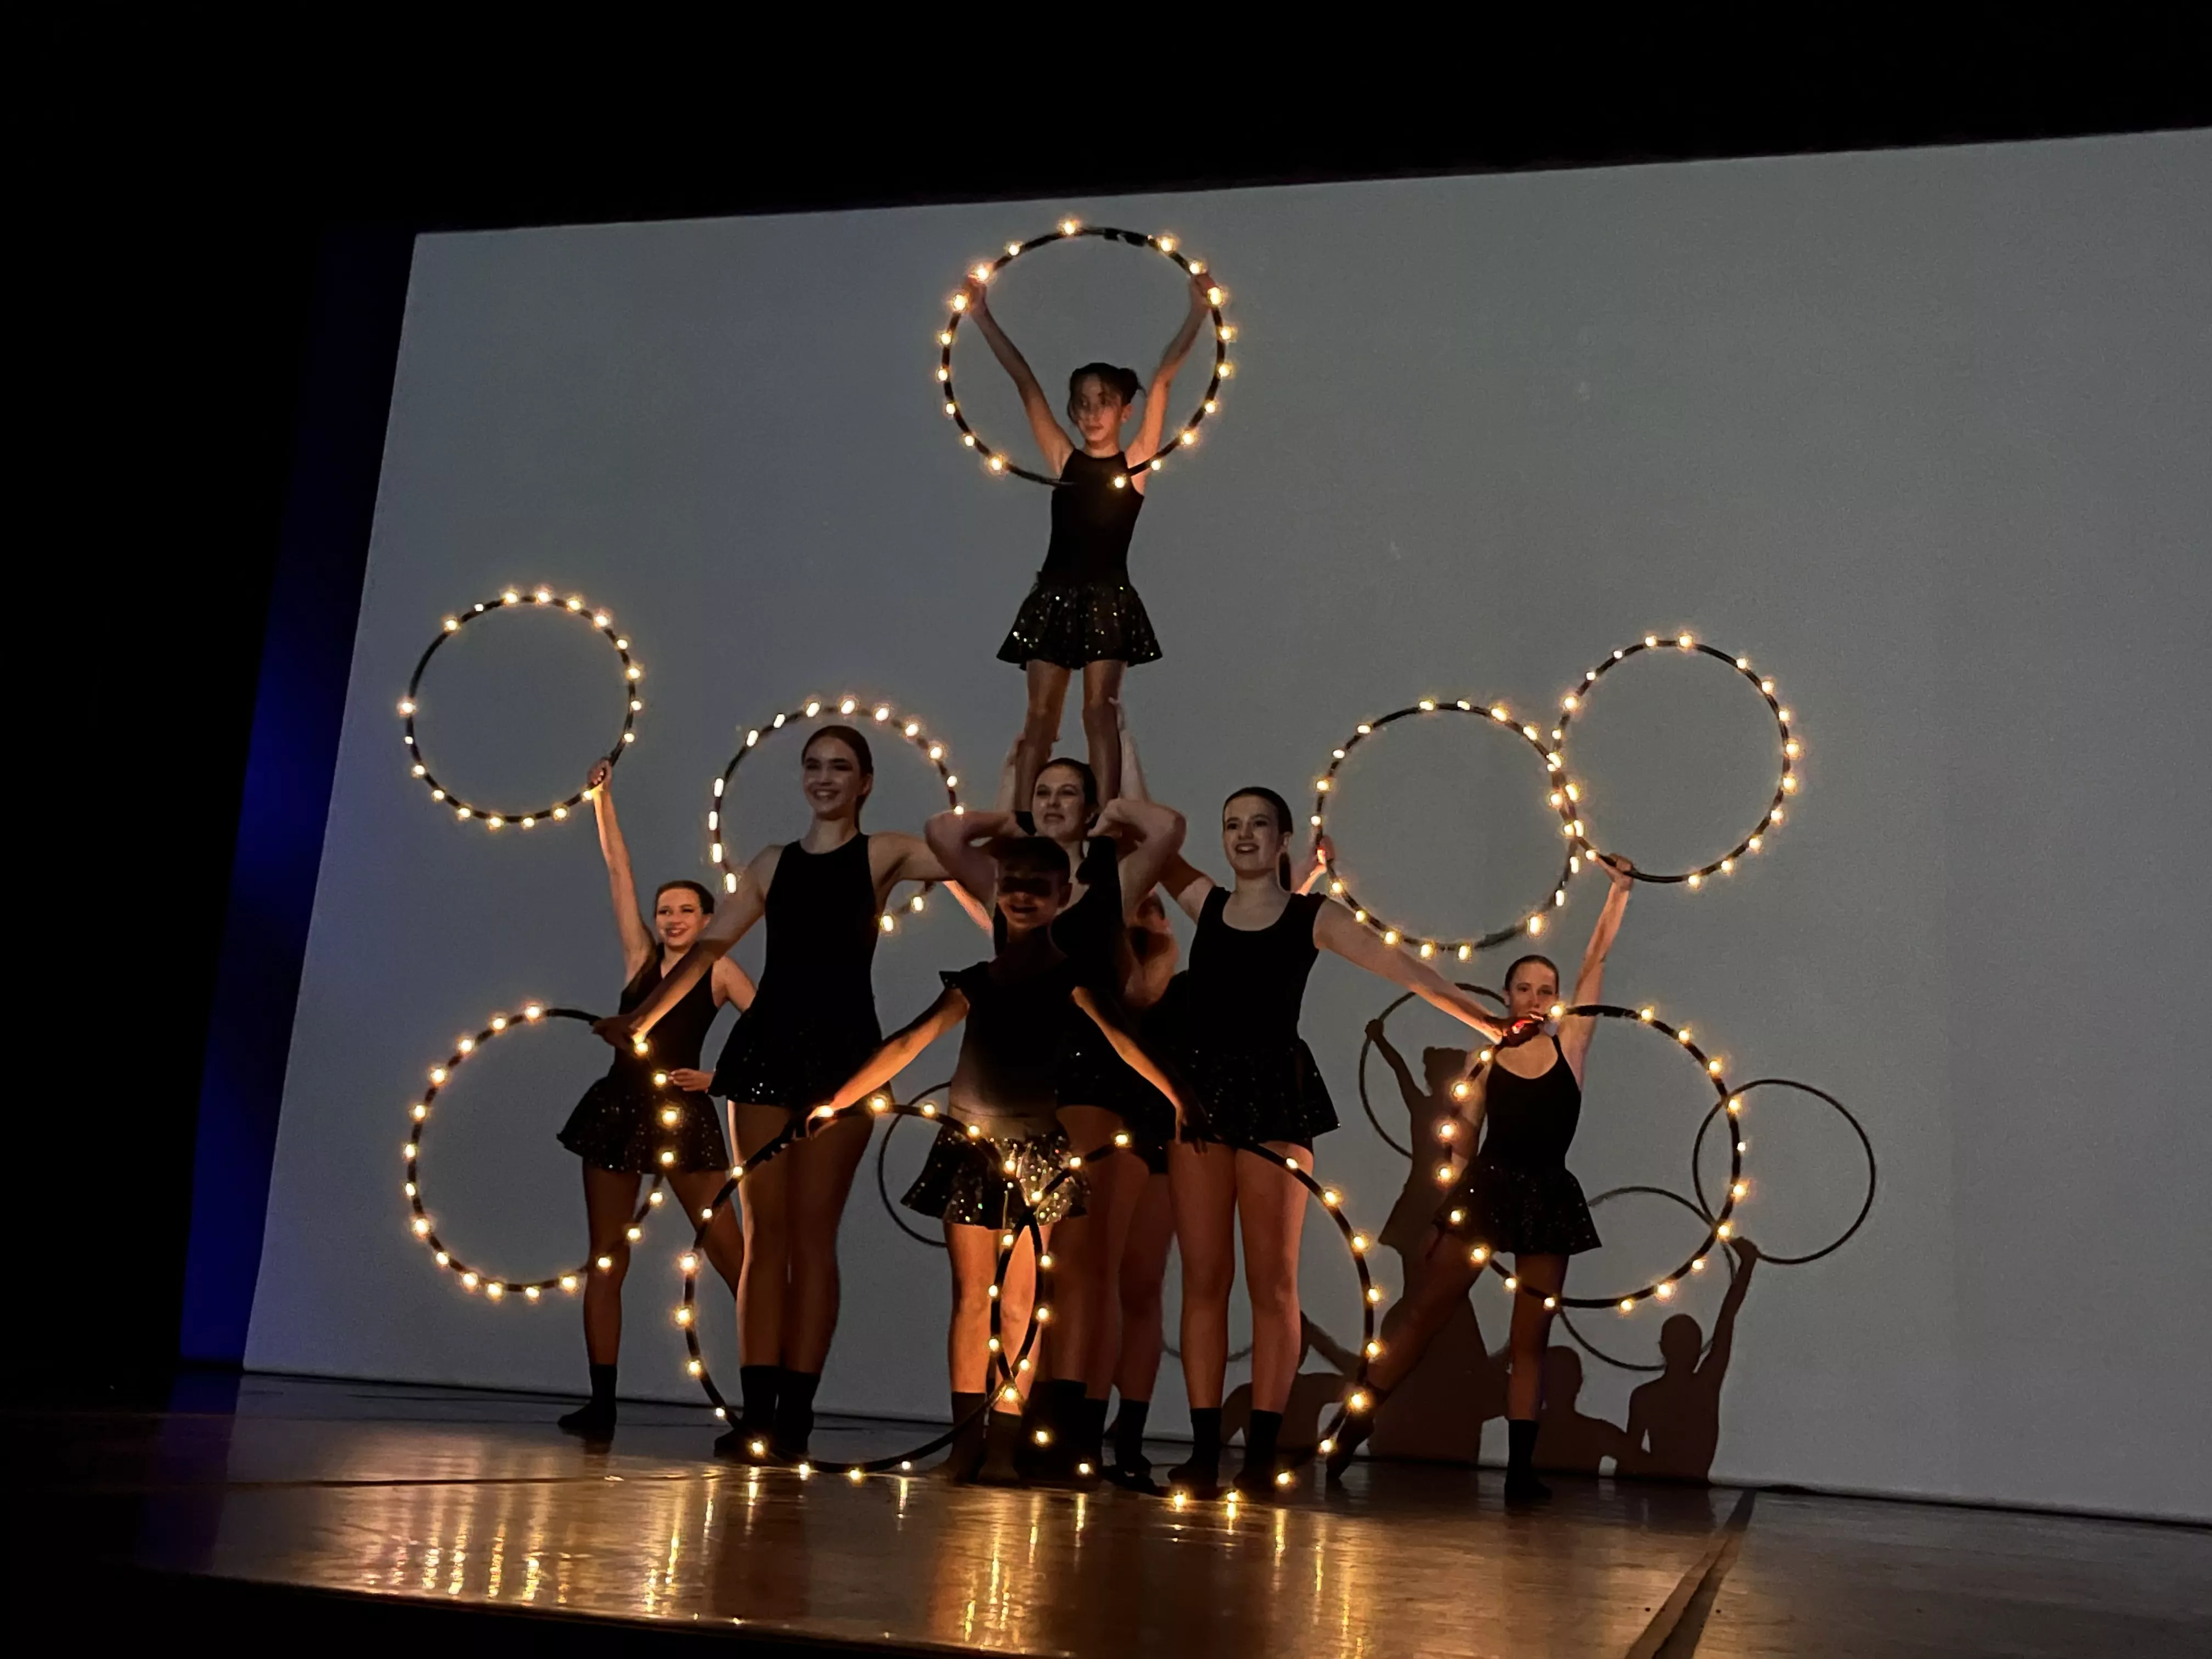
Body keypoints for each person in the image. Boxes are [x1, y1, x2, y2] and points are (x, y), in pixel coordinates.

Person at [594, 725, 983, 1462]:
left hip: (846, 1057)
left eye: (840, 767)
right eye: (813, 766)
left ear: (866, 781)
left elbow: (969, 858)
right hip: (766, 1050)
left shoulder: (886, 852)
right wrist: (641, 1020)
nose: (824, 778)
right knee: (765, 1237)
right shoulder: (772, 863)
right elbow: (711, 947)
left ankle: (796, 1415)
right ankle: (758, 1414)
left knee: (812, 1237)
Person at [1150, 788, 1509, 1499]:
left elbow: (1402, 969)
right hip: (1201, 1096)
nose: (1243, 835)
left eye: (1259, 824)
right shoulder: (1206, 905)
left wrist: (1486, 1023)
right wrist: (1115, 733)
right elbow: (1153, 833)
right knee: (1203, 1279)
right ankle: (1202, 1450)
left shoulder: (1313, 918)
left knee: (1272, 1281)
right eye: (1232, 825)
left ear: (1283, 838)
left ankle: (1260, 1452)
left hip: (1275, 1097)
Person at [804, 835, 1188, 1485]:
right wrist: (837, 1100)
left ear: (1062, 897)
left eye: (1039, 886)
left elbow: (1125, 1044)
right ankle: (965, 1444)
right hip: (970, 1146)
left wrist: (1181, 1100)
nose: (1022, 895)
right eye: (1012, 883)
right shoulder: (978, 982)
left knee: (1019, 1304)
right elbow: (908, 1041)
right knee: (969, 1298)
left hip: (1035, 1152)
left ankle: (1005, 1444)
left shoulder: (1074, 980)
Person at [1325, 854, 1635, 1503]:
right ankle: (1354, 1425)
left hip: (1547, 1195)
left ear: (1557, 1000)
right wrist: (1443, 1219)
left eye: (1545, 990)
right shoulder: (1485, 1056)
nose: (1535, 998)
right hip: (1488, 1192)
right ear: (1507, 996)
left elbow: (1596, 962)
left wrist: (1619, 893)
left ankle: (1520, 1472)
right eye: (1524, 988)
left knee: (1530, 1339)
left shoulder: (1571, 1045)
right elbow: (1462, 1150)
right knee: (1424, 1315)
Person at [924, 743, 1186, 1484]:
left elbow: (1167, 828)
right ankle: (987, 1432)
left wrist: (1111, 816)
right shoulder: (1010, 880)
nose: (1054, 802)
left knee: (1070, 1268)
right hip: (1016, 1080)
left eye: (1069, 792)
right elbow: (943, 834)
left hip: (1091, 1077)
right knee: (998, 1275)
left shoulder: (1111, 883)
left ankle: (1060, 1430)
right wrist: (1012, 817)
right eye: (1044, 791)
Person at [962, 263, 1214, 806]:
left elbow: (1164, 379)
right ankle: (1025, 816)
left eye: (1103, 402)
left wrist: (1198, 311)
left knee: (1099, 710)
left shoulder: (1136, 462)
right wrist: (981, 316)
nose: (1092, 413)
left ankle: (1104, 812)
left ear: (1124, 411)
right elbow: (1025, 382)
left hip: (1107, 597)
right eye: (1082, 403)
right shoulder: (1064, 459)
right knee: (1040, 714)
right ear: (1072, 412)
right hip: (1053, 593)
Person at [555, 761, 754, 1441]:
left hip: (683, 1115)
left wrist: (719, 1078)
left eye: (685, 910)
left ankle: (766, 1403)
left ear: (708, 919)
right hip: (618, 1110)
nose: (672, 919)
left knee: (733, 1256)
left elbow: (768, 1029)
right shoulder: (640, 958)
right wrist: (602, 800)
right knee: (606, 1257)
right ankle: (602, 1403)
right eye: (665, 910)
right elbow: (619, 873)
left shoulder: (719, 968)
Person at [1621, 1237, 1760, 1482]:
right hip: (1670, 1493)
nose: (1685, 1350)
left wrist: (1748, 1265)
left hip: (1681, 1492)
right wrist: (1748, 1264)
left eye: (1689, 1343)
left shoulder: (1694, 1387)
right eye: (1681, 1343)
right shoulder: (1698, 1387)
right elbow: (1629, 1459)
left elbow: (1727, 1318)